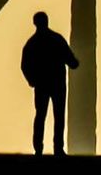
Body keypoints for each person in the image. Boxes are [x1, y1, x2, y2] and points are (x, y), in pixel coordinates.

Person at [21, 11, 81, 155]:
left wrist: (32, 80)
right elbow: (71, 61)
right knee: (58, 116)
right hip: (57, 84)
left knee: (40, 115)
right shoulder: (57, 39)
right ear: (46, 21)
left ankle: (38, 149)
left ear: (35, 23)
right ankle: (58, 149)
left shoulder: (32, 43)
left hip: (41, 84)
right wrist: (75, 62)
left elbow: (24, 65)